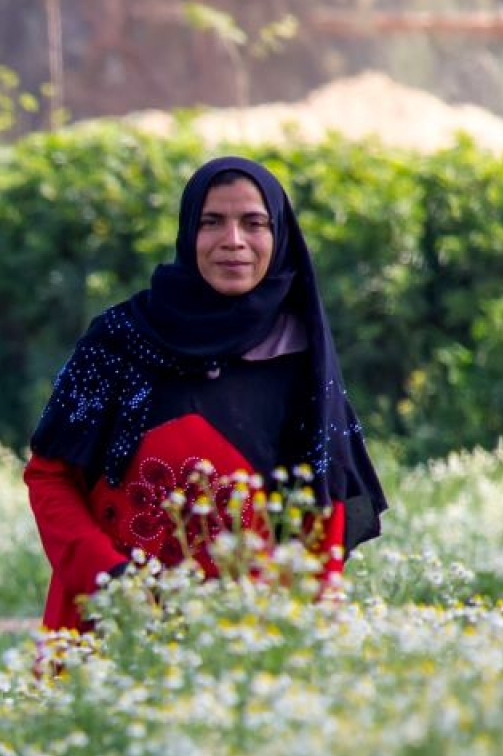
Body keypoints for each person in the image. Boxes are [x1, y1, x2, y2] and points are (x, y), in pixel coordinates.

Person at [24, 155, 387, 631]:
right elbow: (51, 477)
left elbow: (326, 505)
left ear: (278, 237)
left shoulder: (303, 357)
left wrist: (304, 633)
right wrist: (110, 583)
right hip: (113, 624)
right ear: (187, 233)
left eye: (253, 223)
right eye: (211, 222)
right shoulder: (119, 340)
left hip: (243, 641)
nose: (232, 241)